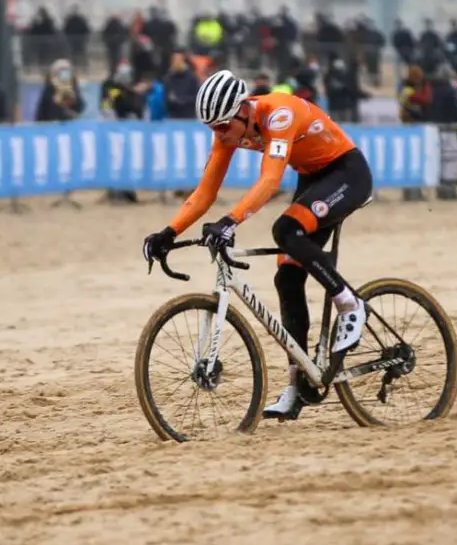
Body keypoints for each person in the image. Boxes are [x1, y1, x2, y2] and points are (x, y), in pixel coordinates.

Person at [141, 70, 374, 421]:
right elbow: (205, 193)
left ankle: (349, 303)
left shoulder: (278, 113)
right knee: (287, 278)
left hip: (346, 174)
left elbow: (270, 179)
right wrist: (168, 232)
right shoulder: (227, 131)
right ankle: (299, 383)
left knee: (286, 230)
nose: (219, 135)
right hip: (313, 178)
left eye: (222, 127)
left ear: (244, 110)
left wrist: (230, 221)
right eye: (212, 129)